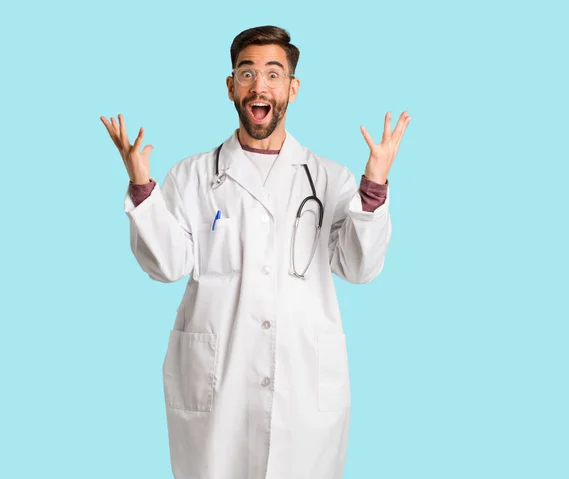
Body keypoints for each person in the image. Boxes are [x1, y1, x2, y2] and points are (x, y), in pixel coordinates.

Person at [100, 25, 410, 479]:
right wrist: (143, 188)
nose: (259, 85)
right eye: (246, 73)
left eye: (272, 73)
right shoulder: (192, 176)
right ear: (230, 87)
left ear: (292, 88)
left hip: (303, 395)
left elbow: (360, 269)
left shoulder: (329, 179)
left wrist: (374, 187)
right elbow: (167, 266)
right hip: (217, 389)